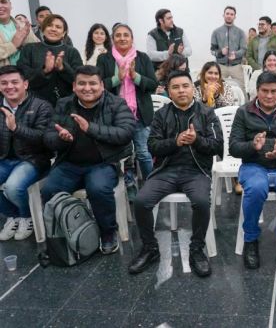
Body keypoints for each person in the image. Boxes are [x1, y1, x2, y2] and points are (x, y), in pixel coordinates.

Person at [128, 70, 223, 276]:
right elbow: (152, 146)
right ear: (169, 92)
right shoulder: (161, 114)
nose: (181, 91)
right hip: (166, 170)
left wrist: (196, 140)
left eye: (185, 86)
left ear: (193, 89)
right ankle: (150, 248)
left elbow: (217, 146)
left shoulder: (207, 113)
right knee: (141, 201)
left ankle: (196, 249)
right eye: (176, 87)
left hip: (196, 171)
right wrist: (175, 142)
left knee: (201, 201)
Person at [41, 65, 135, 254]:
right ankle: (65, 232)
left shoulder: (116, 104)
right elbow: (48, 136)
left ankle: (108, 232)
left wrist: (90, 128)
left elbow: (125, 133)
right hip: (70, 163)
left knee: (98, 189)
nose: (87, 88)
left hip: (103, 163)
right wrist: (61, 139)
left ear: (102, 85)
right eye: (82, 83)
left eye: (93, 83)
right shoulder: (64, 104)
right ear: (74, 86)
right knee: (49, 190)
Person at [229, 72, 276, 269]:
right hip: (254, 165)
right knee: (255, 188)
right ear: (257, 91)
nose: (269, 96)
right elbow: (234, 147)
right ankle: (251, 239)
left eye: (274, 91)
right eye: (265, 91)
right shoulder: (243, 112)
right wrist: (252, 146)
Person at [97, 23, 157, 185]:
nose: (122, 38)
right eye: (118, 35)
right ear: (112, 39)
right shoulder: (104, 59)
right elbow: (98, 86)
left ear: (132, 39)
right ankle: (129, 186)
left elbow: (152, 84)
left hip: (139, 115)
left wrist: (135, 75)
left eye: (126, 35)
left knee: (144, 153)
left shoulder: (142, 58)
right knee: (121, 156)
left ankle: (152, 185)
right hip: (113, 116)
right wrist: (118, 78)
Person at [0, 65, 52, 241]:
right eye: (4, 83)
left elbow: (43, 138)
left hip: (33, 160)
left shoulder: (41, 106)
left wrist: (16, 128)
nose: (9, 87)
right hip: (5, 159)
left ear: (25, 84)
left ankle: (26, 216)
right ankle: (12, 216)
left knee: (13, 187)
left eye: (15, 82)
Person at [17, 14, 83, 106]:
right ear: (43, 29)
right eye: (49, 25)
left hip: (67, 104)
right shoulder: (29, 49)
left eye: (58, 27)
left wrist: (63, 68)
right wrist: (45, 71)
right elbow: (23, 79)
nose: (53, 29)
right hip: (35, 104)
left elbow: (79, 80)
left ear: (64, 33)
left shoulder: (72, 51)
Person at [210, 6, 247, 91]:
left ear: (235, 16)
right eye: (227, 14)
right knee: (218, 89)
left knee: (242, 88)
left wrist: (236, 54)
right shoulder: (216, 32)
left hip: (236, 66)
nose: (229, 16)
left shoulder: (240, 32)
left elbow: (244, 49)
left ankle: (244, 104)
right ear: (223, 15)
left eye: (231, 14)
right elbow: (212, 51)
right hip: (221, 66)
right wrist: (220, 52)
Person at [0, 0, 39, 67]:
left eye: (3, 2)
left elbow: (37, 50)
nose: (0, 6)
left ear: (10, 5)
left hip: (25, 76)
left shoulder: (23, 26)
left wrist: (27, 39)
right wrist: (13, 45)